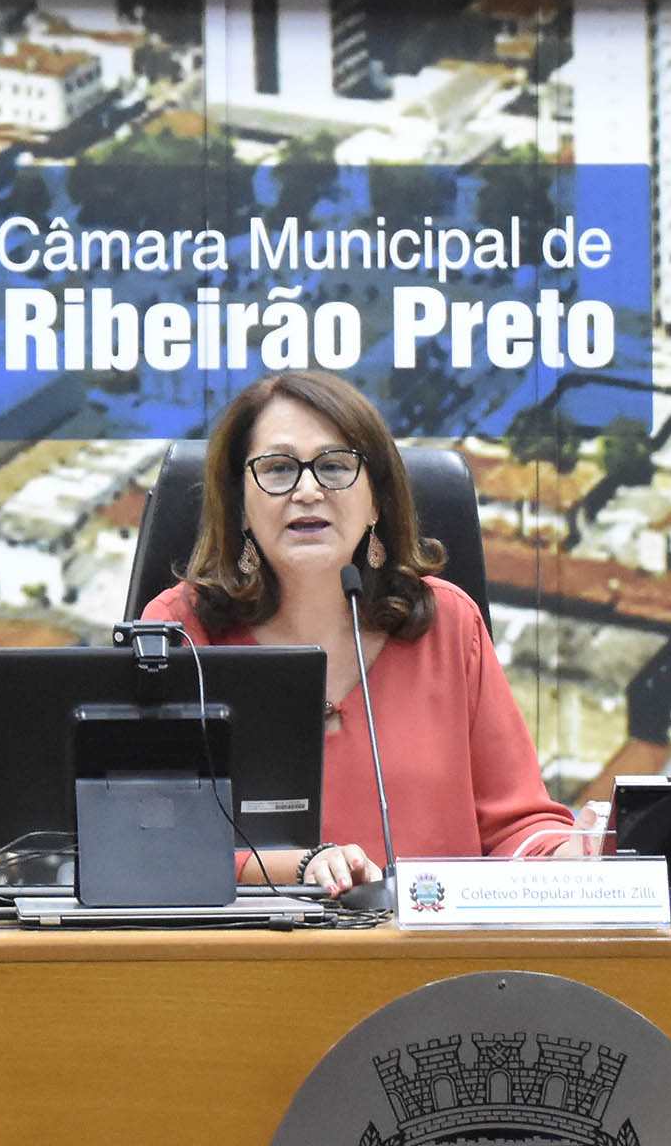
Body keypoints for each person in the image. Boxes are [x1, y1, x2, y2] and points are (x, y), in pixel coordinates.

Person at [140, 373, 581, 896]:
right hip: (245, 967)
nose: (308, 491)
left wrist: (580, 852)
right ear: (238, 504)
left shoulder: (448, 623)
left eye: (334, 466)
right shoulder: (179, 635)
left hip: (438, 970)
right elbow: (151, 840)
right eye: (279, 469)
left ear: (376, 503)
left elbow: (517, 827)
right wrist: (299, 867)